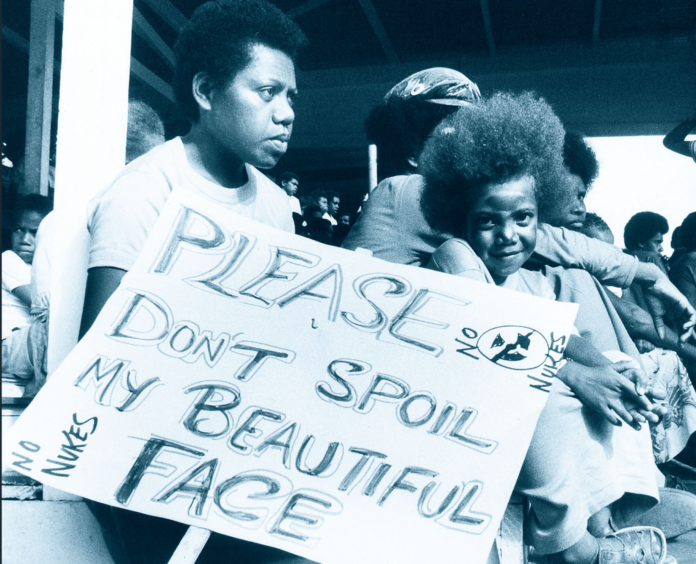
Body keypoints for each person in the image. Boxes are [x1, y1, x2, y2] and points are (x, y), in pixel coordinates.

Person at [79, 2, 313, 563]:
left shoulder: (277, 206)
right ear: (206, 92)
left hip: (242, 450)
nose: (286, 114)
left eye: (291, 99)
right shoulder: (145, 192)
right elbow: (101, 362)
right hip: (148, 461)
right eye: (267, 92)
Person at [419, 92, 669, 564]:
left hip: (511, 384)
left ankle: (600, 518)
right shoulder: (455, 256)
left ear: (541, 215)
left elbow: (560, 337)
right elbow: (499, 342)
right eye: (488, 220)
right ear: (460, 220)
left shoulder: (524, 277)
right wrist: (577, 375)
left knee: (609, 364)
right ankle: (571, 547)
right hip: (460, 403)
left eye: (524, 218)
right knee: (541, 396)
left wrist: (610, 372)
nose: (508, 234)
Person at [342, 68, 695, 345]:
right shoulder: (402, 191)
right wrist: (642, 272)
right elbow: (549, 240)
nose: (470, 152)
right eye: (452, 140)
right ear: (413, 152)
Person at [2, 195, 51, 385]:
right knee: (58, 324)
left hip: (28, 346)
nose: (24, 239)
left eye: (34, 232)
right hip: (9, 346)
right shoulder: (8, 259)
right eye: (18, 230)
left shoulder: (42, 268)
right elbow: (39, 303)